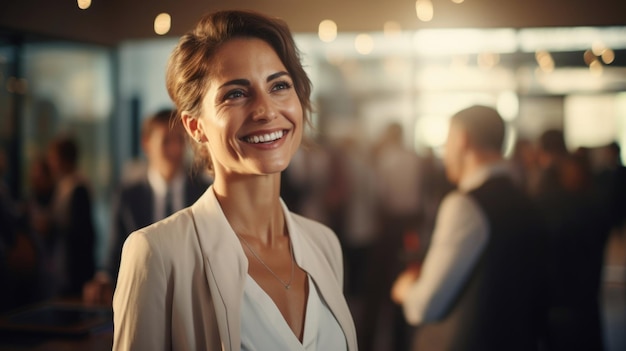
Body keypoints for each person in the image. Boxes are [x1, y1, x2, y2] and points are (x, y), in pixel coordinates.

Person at [112, 9, 358, 351]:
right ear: (195, 126)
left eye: (279, 86)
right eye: (236, 94)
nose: (266, 110)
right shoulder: (158, 254)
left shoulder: (324, 244)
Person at [391, 105, 549, 351]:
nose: (444, 153)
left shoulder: (464, 205)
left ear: (462, 139)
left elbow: (426, 306)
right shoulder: (527, 200)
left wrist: (406, 288)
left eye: (447, 141)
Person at [82, 109, 212, 305]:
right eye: (166, 141)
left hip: (194, 299)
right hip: (143, 298)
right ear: (147, 144)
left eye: (180, 139)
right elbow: (115, 252)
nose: (176, 149)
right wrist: (102, 280)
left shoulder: (205, 193)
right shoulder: (127, 197)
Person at [44, 135, 97, 299]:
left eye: (54, 158)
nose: (51, 163)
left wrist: (51, 226)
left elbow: (79, 229)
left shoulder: (78, 187)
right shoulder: (63, 184)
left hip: (74, 267)